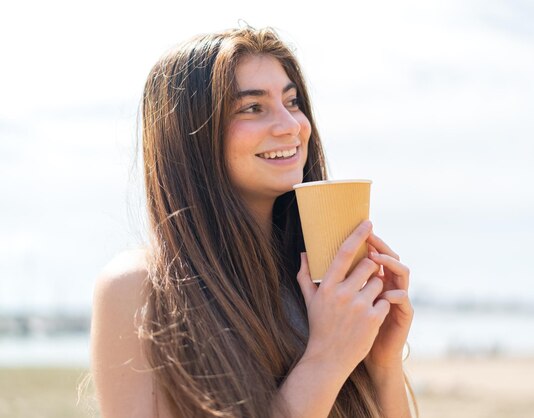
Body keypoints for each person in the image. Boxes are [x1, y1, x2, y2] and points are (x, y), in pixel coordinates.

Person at [90, 26, 416, 418]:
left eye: (292, 102)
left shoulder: (319, 281)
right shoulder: (140, 287)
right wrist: (327, 359)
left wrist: (382, 362)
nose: (292, 126)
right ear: (190, 136)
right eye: (252, 107)